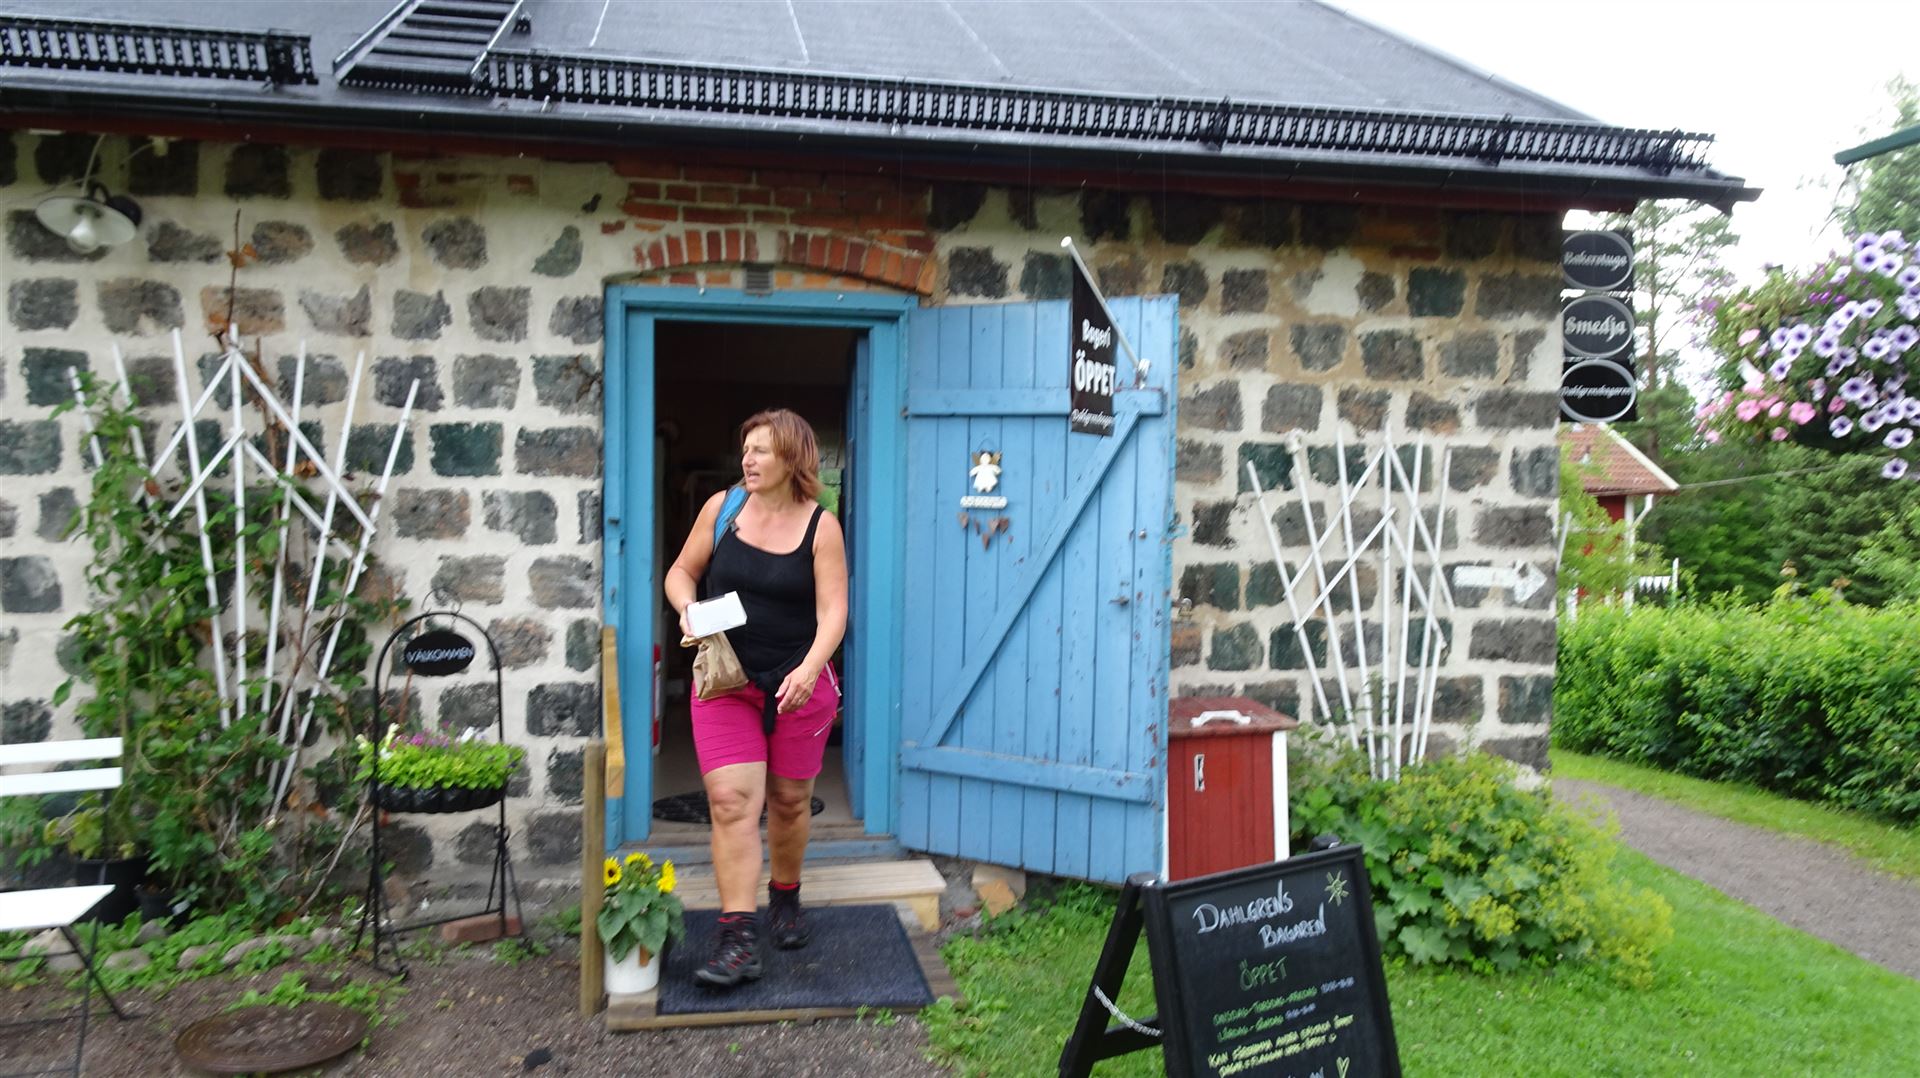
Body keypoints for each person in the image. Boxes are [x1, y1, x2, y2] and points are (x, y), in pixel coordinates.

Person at [664, 409, 848, 988]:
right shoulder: (722, 509)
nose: (748, 459)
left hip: (798, 684)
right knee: (730, 802)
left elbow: (834, 612)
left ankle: (785, 895)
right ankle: (737, 937)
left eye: (761, 450)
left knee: (790, 803)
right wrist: (687, 608)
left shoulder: (821, 527)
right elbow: (680, 572)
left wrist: (810, 669)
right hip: (726, 682)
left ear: (793, 459)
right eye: (746, 449)